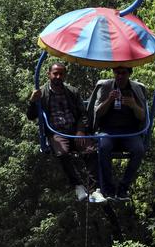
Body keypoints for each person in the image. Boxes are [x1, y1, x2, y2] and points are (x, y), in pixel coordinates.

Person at [29, 62, 104, 202]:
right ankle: (78, 185)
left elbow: (82, 114)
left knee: (91, 151)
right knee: (62, 153)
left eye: (61, 74)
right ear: (49, 74)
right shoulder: (42, 93)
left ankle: (95, 190)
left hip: (74, 130)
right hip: (57, 132)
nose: (58, 76)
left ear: (65, 75)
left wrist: (80, 130)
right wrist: (33, 101)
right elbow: (31, 116)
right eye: (55, 74)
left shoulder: (72, 91)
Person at [89, 65, 148, 201]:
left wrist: (133, 105)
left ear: (129, 73)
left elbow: (142, 116)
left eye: (123, 73)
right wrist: (109, 100)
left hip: (129, 131)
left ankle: (123, 189)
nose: (120, 76)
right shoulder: (106, 87)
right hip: (108, 130)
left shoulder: (136, 89)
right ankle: (108, 189)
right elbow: (98, 113)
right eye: (117, 73)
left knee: (139, 150)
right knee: (103, 147)